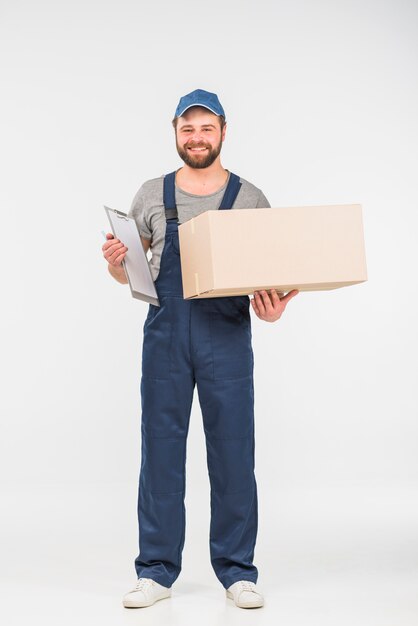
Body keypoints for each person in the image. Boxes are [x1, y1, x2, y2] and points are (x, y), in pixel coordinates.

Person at [102, 88, 299, 610]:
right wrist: (117, 261)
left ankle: (238, 571)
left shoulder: (250, 197)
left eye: (206, 128)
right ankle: (156, 571)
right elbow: (129, 272)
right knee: (161, 454)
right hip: (165, 335)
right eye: (187, 129)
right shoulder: (150, 193)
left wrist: (273, 309)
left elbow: (271, 284)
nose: (196, 137)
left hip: (227, 337)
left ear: (223, 132)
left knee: (234, 452)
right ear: (175, 132)